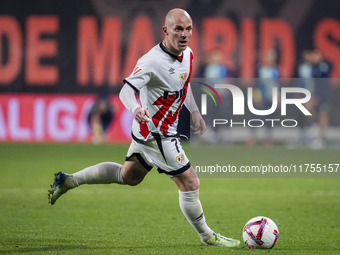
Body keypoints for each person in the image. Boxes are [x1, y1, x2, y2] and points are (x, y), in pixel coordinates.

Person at [48, 8, 240, 247]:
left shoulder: (188, 54)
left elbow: (184, 84)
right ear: (165, 30)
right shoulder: (151, 61)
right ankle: (207, 236)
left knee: (128, 176)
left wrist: (195, 112)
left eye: (188, 29)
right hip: (158, 134)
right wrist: (135, 109)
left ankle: (70, 180)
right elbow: (126, 90)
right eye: (178, 29)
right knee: (190, 182)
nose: (184, 34)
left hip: (151, 133)